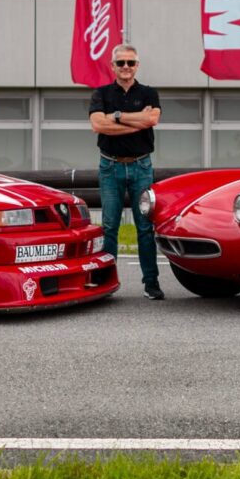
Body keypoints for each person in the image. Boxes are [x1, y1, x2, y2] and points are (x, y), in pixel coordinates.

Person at [89, 43, 163, 299]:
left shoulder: (149, 93)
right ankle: (106, 282)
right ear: (113, 66)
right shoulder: (101, 93)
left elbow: (152, 120)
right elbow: (98, 125)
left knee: (145, 227)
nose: (126, 67)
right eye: (121, 63)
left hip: (142, 166)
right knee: (110, 226)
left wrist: (117, 117)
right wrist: (135, 120)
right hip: (110, 166)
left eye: (130, 63)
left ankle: (151, 283)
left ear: (137, 66)